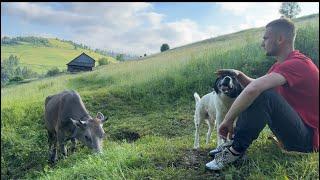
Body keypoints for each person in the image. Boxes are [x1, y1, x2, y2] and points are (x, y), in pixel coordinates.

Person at [205, 18, 319, 171]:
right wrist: (239, 75)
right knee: (260, 92)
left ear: (280, 39)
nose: (262, 43)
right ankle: (233, 143)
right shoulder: (280, 65)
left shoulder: (297, 64)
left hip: (306, 141)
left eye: (265, 38)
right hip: (296, 130)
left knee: (262, 94)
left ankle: (235, 151)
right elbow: (255, 85)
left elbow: (255, 89)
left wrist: (227, 120)